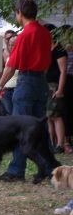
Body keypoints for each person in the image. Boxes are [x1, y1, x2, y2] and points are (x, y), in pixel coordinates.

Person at [0, 0, 52, 182]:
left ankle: (17, 171)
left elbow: (11, 66)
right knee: (40, 128)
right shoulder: (45, 32)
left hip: (26, 82)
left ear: (19, 13)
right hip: (41, 82)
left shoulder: (24, 35)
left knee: (20, 129)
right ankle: (50, 168)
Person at [44, 24, 70, 153]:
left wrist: (60, 89)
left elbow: (63, 71)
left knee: (56, 115)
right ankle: (51, 142)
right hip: (45, 85)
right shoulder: (44, 49)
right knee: (48, 116)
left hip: (54, 85)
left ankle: (60, 143)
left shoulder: (59, 50)